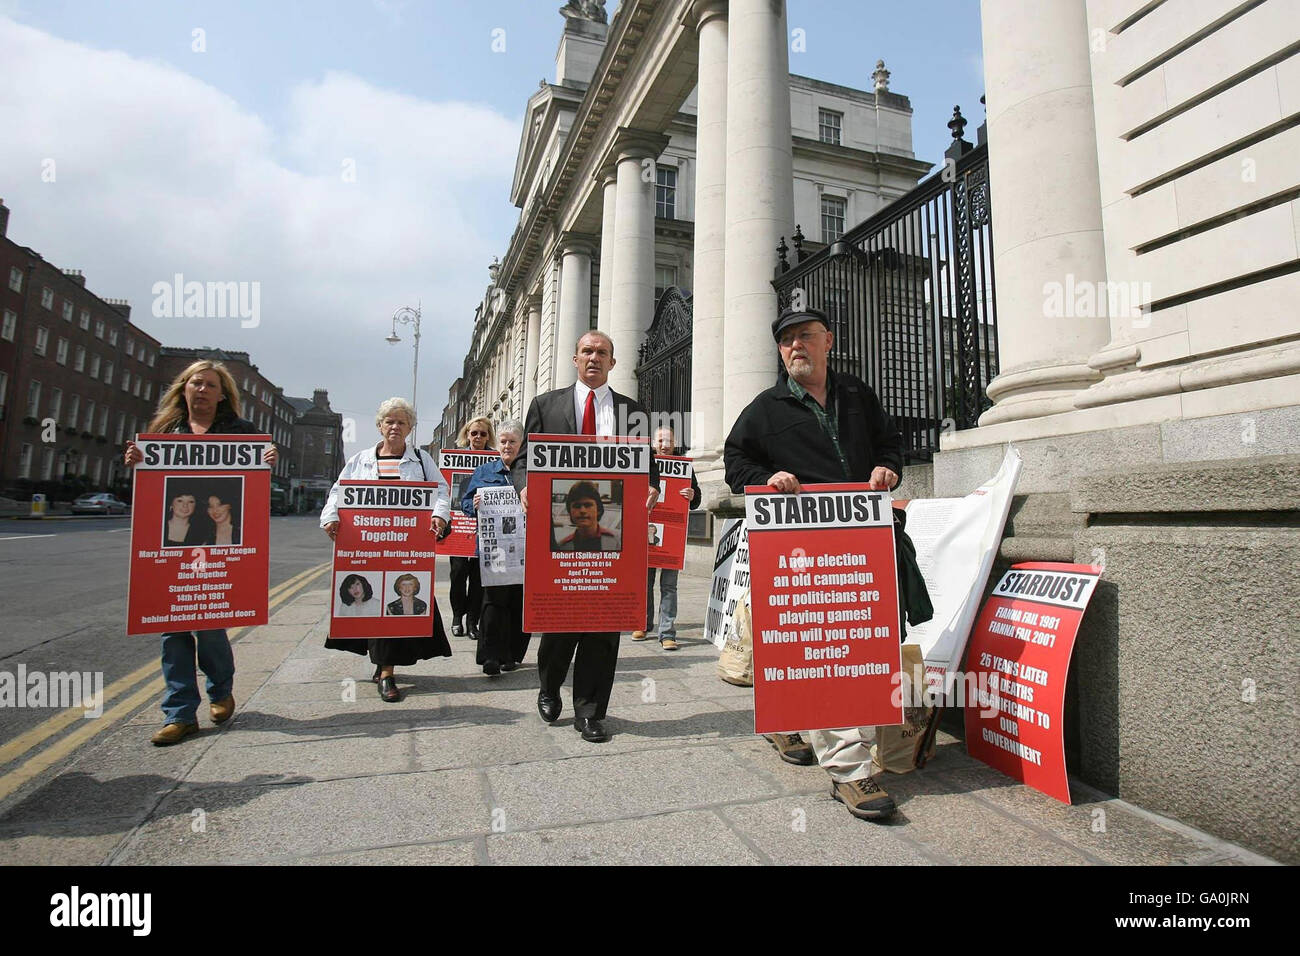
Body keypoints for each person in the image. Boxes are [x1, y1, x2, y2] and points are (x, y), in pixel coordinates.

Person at [724, 305, 925, 822]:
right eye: (786, 340)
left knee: (857, 644)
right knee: (821, 648)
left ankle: (786, 719)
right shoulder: (765, 407)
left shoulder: (858, 395)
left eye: (804, 337)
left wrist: (889, 469)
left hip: (865, 547)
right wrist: (768, 480)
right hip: (800, 553)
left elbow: (891, 444)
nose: (795, 346)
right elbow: (735, 463)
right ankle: (851, 772)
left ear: (828, 341)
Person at [123, 360, 279, 746]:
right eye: (197, 383)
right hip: (172, 544)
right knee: (173, 629)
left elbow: (251, 485)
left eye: (211, 385)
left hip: (219, 543)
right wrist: (135, 463)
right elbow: (152, 489)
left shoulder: (241, 432)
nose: (203, 390)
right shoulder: (163, 432)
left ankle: (220, 689)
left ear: (222, 394)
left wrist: (268, 461)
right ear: (183, 389)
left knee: (210, 626)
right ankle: (179, 713)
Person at [521, 330, 659, 743]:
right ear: (574, 358)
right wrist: (523, 486)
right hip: (557, 531)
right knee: (559, 623)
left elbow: (647, 465)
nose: (594, 358)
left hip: (611, 535)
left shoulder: (634, 411)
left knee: (603, 624)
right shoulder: (545, 405)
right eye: (587, 351)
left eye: (602, 353)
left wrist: (651, 485)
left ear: (613, 363)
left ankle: (591, 712)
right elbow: (523, 460)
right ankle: (549, 686)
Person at [320, 398, 452, 703]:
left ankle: (385, 669)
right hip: (368, 545)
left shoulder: (421, 460)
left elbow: (441, 490)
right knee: (375, 602)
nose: (395, 427)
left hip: (406, 547)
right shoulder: (361, 459)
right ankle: (385, 670)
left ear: (409, 428)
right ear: (380, 425)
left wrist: (438, 514)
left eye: (401, 422)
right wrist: (331, 518)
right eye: (389, 421)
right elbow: (338, 492)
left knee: (395, 603)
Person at [461, 418, 529, 675]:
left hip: (525, 550)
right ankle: (490, 656)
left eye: (513, 442)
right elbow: (466, 505)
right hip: (493, 548)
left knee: (517, 601)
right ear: (497, 443)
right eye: (503, 441)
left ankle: (510, 654)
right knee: (492, 601)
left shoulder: (532, 471)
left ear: (522, 444)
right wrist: (475, 504)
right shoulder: (484, 472)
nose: (507, 446)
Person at [633, 425, 700, 650]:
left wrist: (692, 495)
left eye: (668, 441)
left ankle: (667, 633)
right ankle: (642, 623)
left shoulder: (684, 467)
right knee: (645, 582)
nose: (664, 445)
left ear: (675, 443)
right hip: (647, 531)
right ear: (653, 443)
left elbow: (697, 499)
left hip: (672, 536)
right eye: (660, 440)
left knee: (669, 586)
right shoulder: (643, 464)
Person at [449, 416, 495, 639]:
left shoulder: (495, 461)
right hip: (459, 525)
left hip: (485, 527)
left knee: (478, 577)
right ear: (466, 434)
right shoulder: (456, 457)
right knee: (458, 573)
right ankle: (457, 617)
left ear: (489, 436)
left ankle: (472, 622)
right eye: (474, 433)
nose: (478, 437)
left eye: (483, 434)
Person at [554, 480, 620, 551]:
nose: (582, 511)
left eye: (588, 505)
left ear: (598, 509)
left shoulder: (616, 542)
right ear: (569, 511)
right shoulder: (563, 547)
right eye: (577, 506)